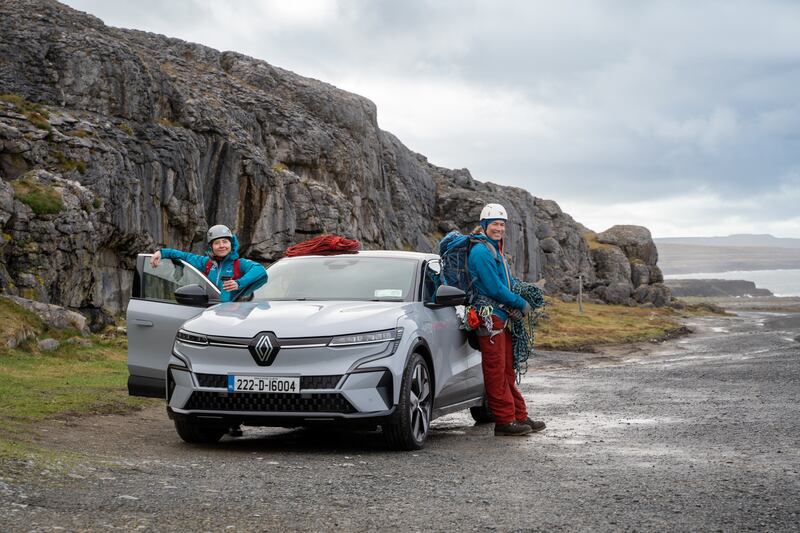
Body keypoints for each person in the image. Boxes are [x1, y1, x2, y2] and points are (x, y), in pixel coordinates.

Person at [468, 203, 546, 437]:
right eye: (495, 224)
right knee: (495, 370)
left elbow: (507, 282)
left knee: (506, 369)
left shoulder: (495, 250)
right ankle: (504, 421)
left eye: (502, 224)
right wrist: (519, 303)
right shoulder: (481, 252)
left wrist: (514, 301)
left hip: (501, 317)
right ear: (484, 226)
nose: (499, 228)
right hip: (489, 318)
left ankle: (518, 415)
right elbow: (494, 287)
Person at [149, 224, 268, 302]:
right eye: (217, 243)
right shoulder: (207, 263)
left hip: (234, 314)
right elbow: (185, 256)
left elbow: (260, 270)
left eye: (225, 241)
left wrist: (239, 283)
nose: (221, 245)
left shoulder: (239, 264)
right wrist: (162, 252)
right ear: (211, 247)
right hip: (210, 312)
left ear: (231, 244)